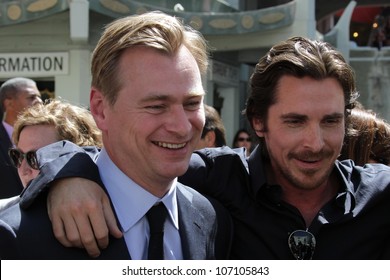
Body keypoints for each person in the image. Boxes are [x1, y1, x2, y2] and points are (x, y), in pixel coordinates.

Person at [14, 36, 390, 259]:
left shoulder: (382, 193)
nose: (315, 143)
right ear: (258, 122)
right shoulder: (220, 181)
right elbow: (130, 158)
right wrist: (69, 174)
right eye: (294, 121)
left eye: (331, 121)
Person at [0, 11, 232, 260]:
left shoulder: (210, 219)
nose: (182, 127)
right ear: (100, 108)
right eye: (156, 106)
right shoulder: (19, 236)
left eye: (191, 103)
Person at [0, 99, 103, 211]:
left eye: (37, 157)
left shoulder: (112, 211)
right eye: (17, 156)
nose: (24, 169)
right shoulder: (4, 214)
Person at [0, 77, 42, 199]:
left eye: (39, 96)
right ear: (9, 103)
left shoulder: (45, 137)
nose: (39, 101)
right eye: (32, 97)